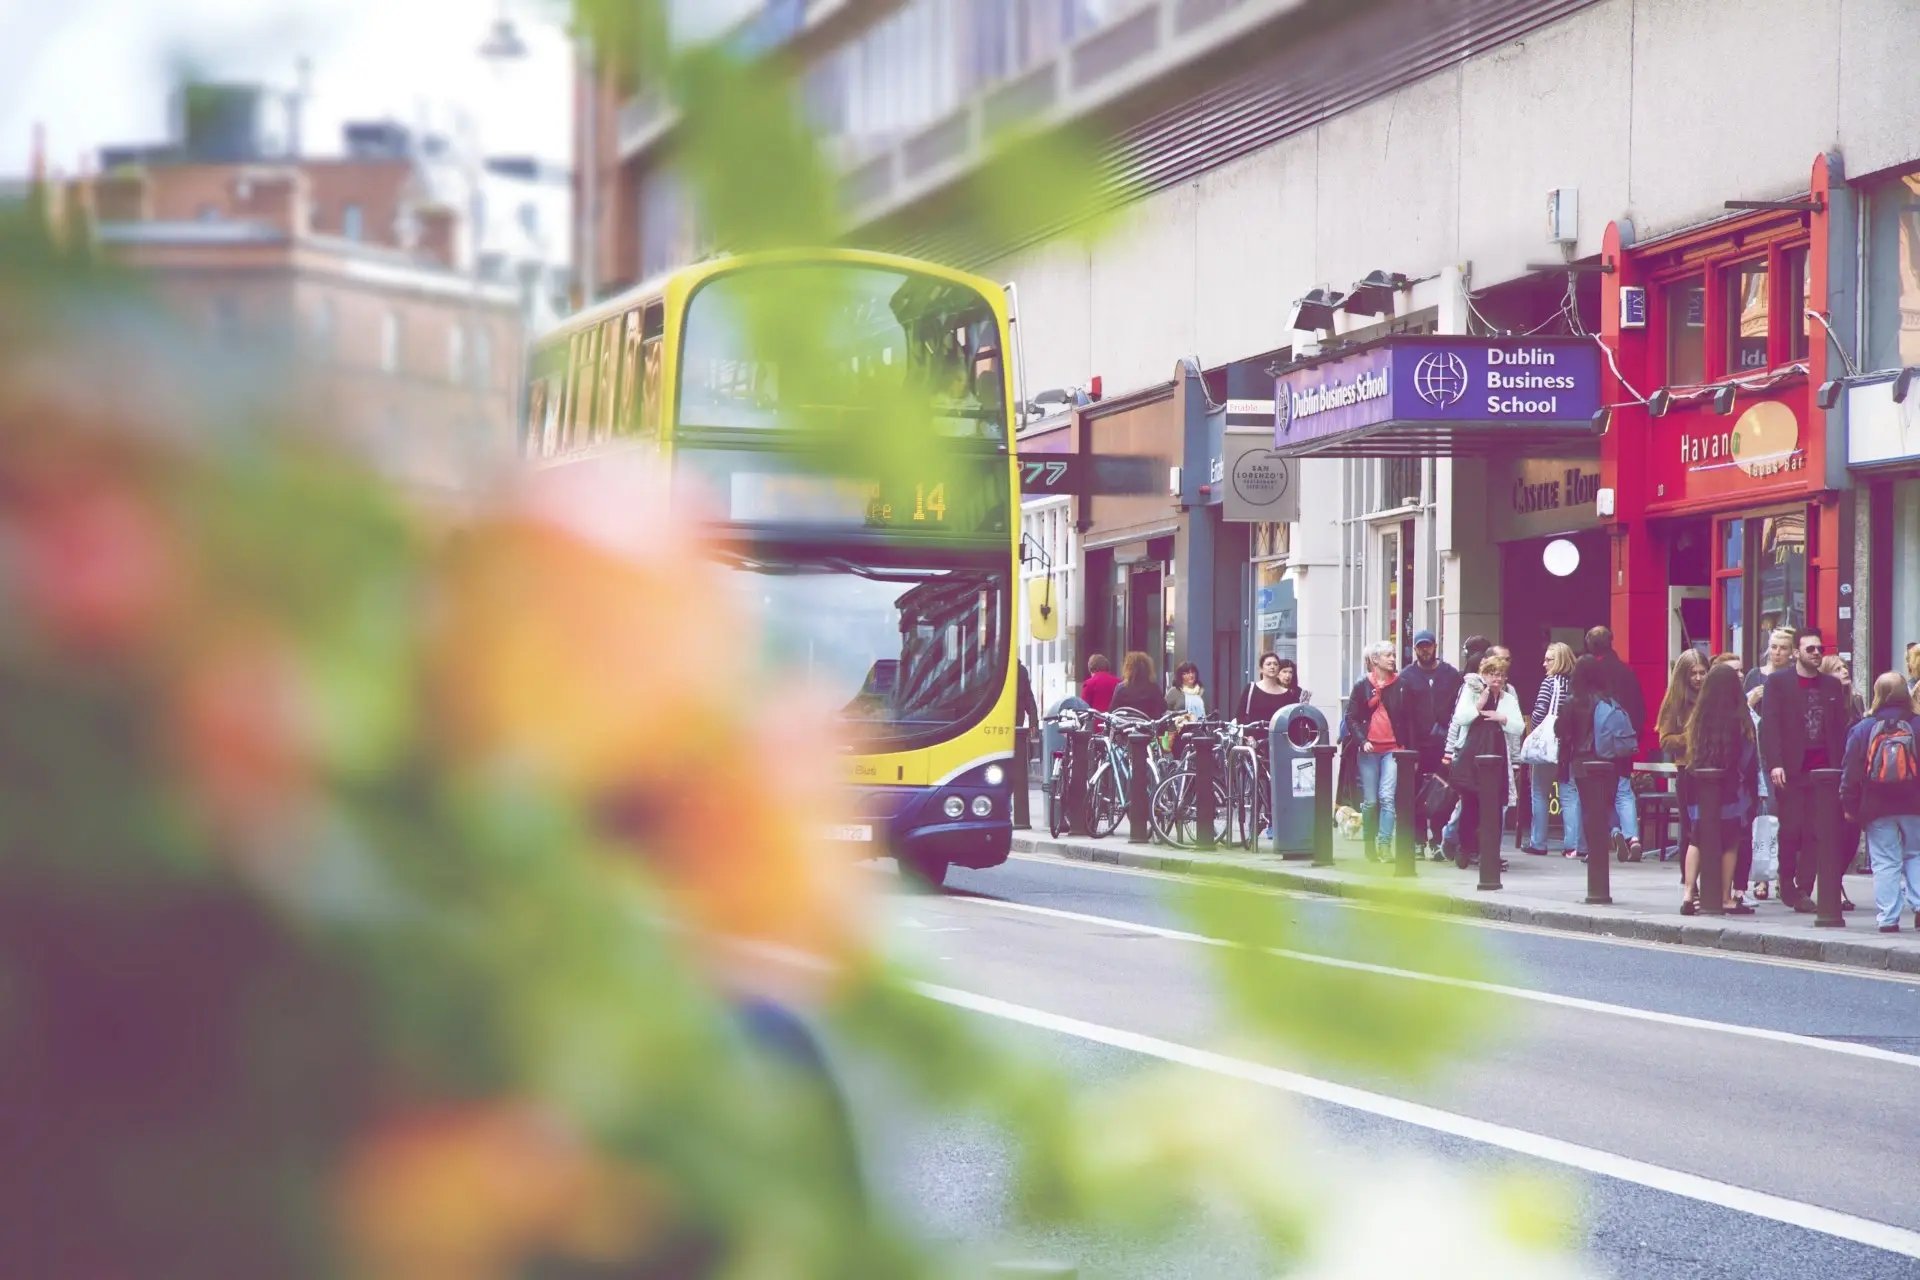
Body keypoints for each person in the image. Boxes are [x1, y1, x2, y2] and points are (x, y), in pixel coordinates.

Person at [1759, 628, 1856, 911]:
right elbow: (1770, 725)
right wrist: (1775, 762)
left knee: (1818, 829)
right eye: (1810, 649)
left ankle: (1804, 887)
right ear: (1797, 653)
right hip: (1792, 768)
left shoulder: (1831, 685)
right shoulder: (1778, 683)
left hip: (1825, 771)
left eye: (1819, 649)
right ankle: (1786, 882)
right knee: (1791, 829)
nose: (1816, 653)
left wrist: (1840, 768)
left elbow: (1839, 728)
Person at [1840, 672, 1920, 933]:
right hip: (1914, 803)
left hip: (1876, 806)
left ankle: (1888, 918)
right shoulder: (1917, 724)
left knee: (1885, 861)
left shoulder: (1864, 728)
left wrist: (1849, 806)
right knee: (1916, 854)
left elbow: (1850, 770)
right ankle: (1919, 907)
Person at [1680, 663, 1759, 916]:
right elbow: (1748, 758)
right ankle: (1724, 896)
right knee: (1730, 841)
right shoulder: (1740, 717)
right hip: (1730, 788)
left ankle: (1689, 893)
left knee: (1697, 838)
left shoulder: (1698, 715)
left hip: (1698, 785)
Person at [1344, 641, 1422, 862]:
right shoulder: (1362, 686)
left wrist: (1410, 750)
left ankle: (1385, 844)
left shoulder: (1401, 685)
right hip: (1369, 750)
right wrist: (1361, 740)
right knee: (1370, 801)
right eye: (1388, 655)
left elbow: (1409, 720)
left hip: (1393, 749)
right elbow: (1351, 717)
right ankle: (1369, 844)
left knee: (1387, 798)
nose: (1392, 659)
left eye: (1393, 655)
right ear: (1375, 660)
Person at [1444, 654, 1524, 869]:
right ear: (1483, 675)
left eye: (1501, 675)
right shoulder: (1471, 692)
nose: (1496, 679)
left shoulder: (1508, 699)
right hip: (1471, 758)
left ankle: (1490, 853)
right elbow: (1460, 719)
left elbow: (1518, 727)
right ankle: (1465, 849)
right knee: (1470, 804)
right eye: (1492, 674)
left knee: (1496, 807)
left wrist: (1502, 718)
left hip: (1498, 758)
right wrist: (1478, 705)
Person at [1584, 625, 1647, 862]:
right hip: (1622, 742)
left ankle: (1615, 831)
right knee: (1623, 790)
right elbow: (1639, 708)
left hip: (1596, 743)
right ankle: (1634, 838)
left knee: (1601, 792)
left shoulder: (1591, 672)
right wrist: (1632, 738)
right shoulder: (1625, 672)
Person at [1399, 629, 1461, 860]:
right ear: (1414, 649)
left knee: (1442, 793)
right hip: (1417, 745)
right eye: (1420, 647)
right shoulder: (1406, 676)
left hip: (1444, 744)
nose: (1424, 650)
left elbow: (1457, 708)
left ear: (1435, 646)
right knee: (1415, 793)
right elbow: (1403, 716)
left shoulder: (1450, 674)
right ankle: (1417, 840)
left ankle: (1437, 840)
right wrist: (1408, 747)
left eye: (1428, 646)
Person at [1523, 642, 1579, 857]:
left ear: (1560, 660)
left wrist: (1535, 733)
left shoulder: (1549, 683)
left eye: (1549, 659)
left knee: (1539, 792)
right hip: (1569, 744)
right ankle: (1571, 845)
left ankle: (1539, 842)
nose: (1544, 663)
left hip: (1549, 744)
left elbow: (1539, 713)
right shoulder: (1575, 683)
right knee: (1569, 793)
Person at [1655, 650, 1708, 863]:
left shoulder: (1712, 696)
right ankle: (1688, 879)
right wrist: (1692, 736)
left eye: (1702, 672)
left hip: (1713, 767)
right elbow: (1665, 740)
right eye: (1693, 673)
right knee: (1690, 826)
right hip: (1688, 769)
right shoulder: (1675, 701)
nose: (1698, 678)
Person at [1239, 653, 1303, 726]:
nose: (1272, 667)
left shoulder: (1288, 694)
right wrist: (1248, 736)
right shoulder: (1251, 688)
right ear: (1261, 669)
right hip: (1252, 736)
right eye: (1268, 664)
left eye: (1275, 664)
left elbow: (1292, 722)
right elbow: (1240, 717)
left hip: (1277, 736)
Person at [1111, 651, 1165, 720]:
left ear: (1128, 668)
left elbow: (1113, 710)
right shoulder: (1153, 688)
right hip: (1147, 727)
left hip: (1125, 727)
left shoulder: (1121, 688)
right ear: (1148, 668)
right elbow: (1163, 708)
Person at [1744, 628, 1796, 695]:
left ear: (1792, 651)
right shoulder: (1755, 675)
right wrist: (1751, 701)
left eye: (1783, 648)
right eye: (1774, 647)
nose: (1777, 652)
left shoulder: (1797, 675)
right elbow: (1742, 704)